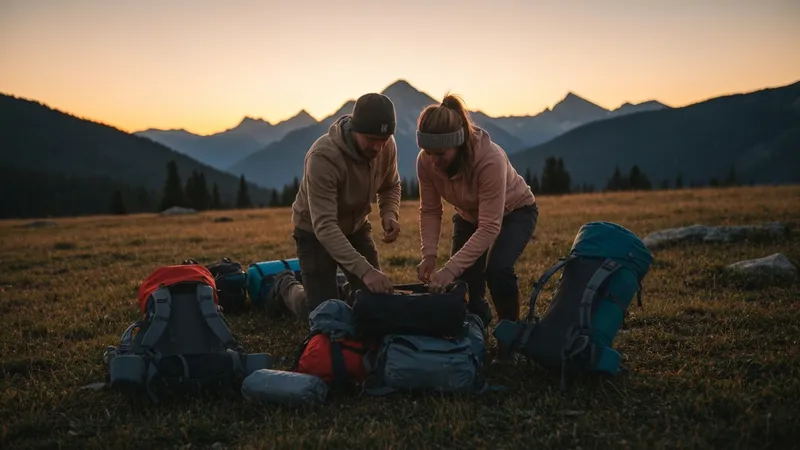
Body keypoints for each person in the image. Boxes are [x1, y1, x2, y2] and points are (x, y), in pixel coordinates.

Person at [266, 93, 402, 320]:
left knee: (374, 302)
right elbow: (325, 227)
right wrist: (366, 271)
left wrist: (389, 213)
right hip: (314, 232)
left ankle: (340, 289)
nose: (378, 147)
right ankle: (285, 286)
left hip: (356, 226)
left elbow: (391, 185)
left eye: (384, 139)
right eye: (371, 139)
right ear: (355, 129)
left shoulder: (386, 144)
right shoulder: (323, 157)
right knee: (323, 315)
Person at [415, 94, 538, 334]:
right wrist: (429, 254)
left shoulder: (489, 160)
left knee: (497, 270)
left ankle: (510, 335)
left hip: (514, 212)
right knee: (465, 280)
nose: (433, 161)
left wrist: (449, 268)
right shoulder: (425, 162)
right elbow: (430, 209)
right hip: (468, 214)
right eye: (428, 152)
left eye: (441, 154)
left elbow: (490, 227)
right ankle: (476, 328)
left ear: (458, 144)